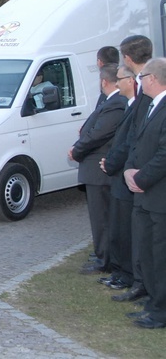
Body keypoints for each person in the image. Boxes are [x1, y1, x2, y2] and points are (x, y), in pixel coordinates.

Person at [99, 35, 153, 300]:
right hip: (132, 171)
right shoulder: (141, 96)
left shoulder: (147, 94)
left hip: (140, 175)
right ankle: (135, 279)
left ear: (128, 59)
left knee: (139, 235)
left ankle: (138, 281)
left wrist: (119, 164)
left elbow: (137, 137)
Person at [69, 64, 126, 276]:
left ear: (103, 82)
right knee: (100, 216)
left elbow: (98, 134)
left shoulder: (116, 103)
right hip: (95, 166)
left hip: (99, 167)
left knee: (102, 218)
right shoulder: (111, 102)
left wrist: (77, 150)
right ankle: (103, 254)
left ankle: (105, 259)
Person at [123, 57, 166, 329]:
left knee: (161, 257)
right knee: (149, 253)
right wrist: (129, 170)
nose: (140, 81)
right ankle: (153, 302)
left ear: (152, 78)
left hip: (159, 195)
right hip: (146, 194)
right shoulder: (151, 105)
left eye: (143, 76)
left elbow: (164, 154)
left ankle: (160, 312)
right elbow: (137, 142)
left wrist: (140, 178)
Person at [98, 66, 137, 293]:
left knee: (124, 230)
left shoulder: (136, 106)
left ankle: (127, 274)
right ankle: (121, 272)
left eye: (121, 79)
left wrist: (112, 163)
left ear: (130, 81)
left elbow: (129, 143)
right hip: (118, 173)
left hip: (125, 175)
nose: (117, 82)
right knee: (118, 228)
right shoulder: (130, 105)